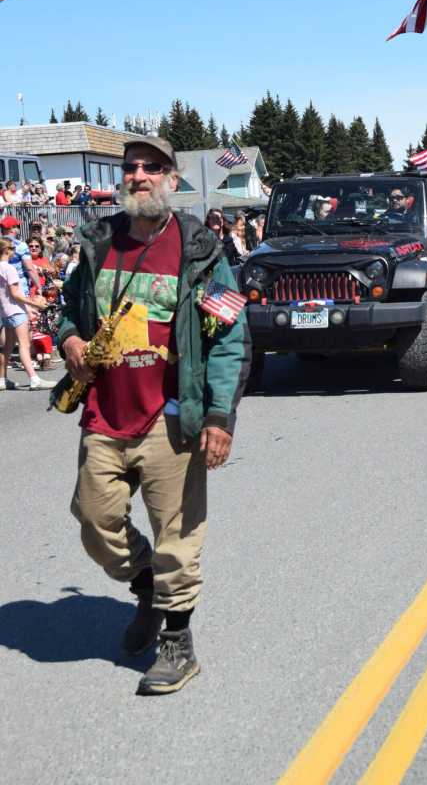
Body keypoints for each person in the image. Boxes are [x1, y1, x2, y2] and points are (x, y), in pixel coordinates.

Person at [58, 136, 250, 696]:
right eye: (131, 168)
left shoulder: (200, 252)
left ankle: (177, 641)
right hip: (105, 414)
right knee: (96, 524)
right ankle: (146, 584)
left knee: (178, 537)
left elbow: (230, 338)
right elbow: (69, 310)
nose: (139, 175)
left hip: (171, 418)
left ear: (172, 178)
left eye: (152, 167)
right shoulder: (98, 244)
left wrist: (219, 417)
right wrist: (69, 339)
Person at [0, 236, 51, 390]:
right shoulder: (10, 269)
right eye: (12, 250)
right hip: (16, 310)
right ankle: (34, 379)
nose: (14, 253)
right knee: (24, 344)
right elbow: (16, 294)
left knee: (7, 347)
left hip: (5, 311)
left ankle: (2, 379)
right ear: (6, 251)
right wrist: (34, 304)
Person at [0, 215, 42, 294]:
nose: (18, 229)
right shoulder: (21, 245)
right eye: (17, 226)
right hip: (18, 285)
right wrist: (39, 287)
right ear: (12, 229)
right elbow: (30, 268)